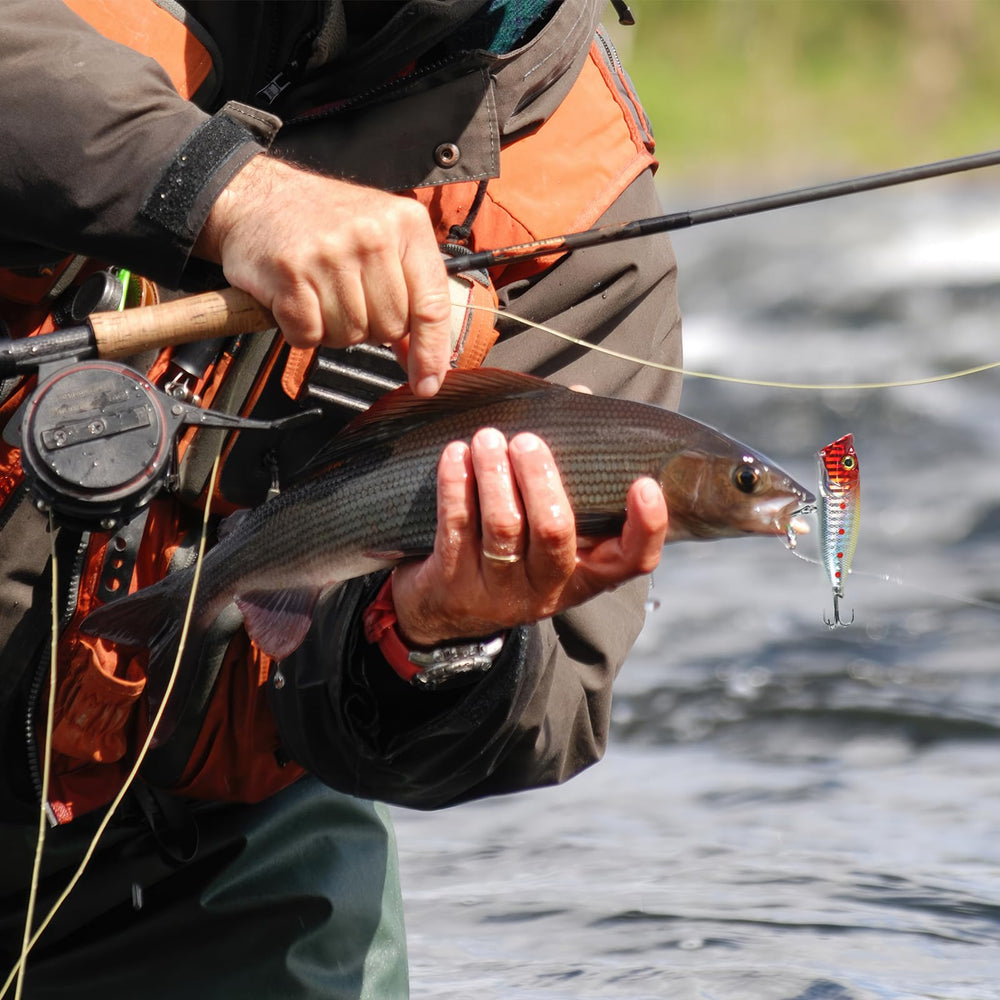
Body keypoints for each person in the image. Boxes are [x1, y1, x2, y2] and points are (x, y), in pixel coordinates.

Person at [0, 1, 682, 996]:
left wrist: (437, 642)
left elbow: (552, 702)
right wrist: (221, 190)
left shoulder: (586, 201)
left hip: (198, 860)